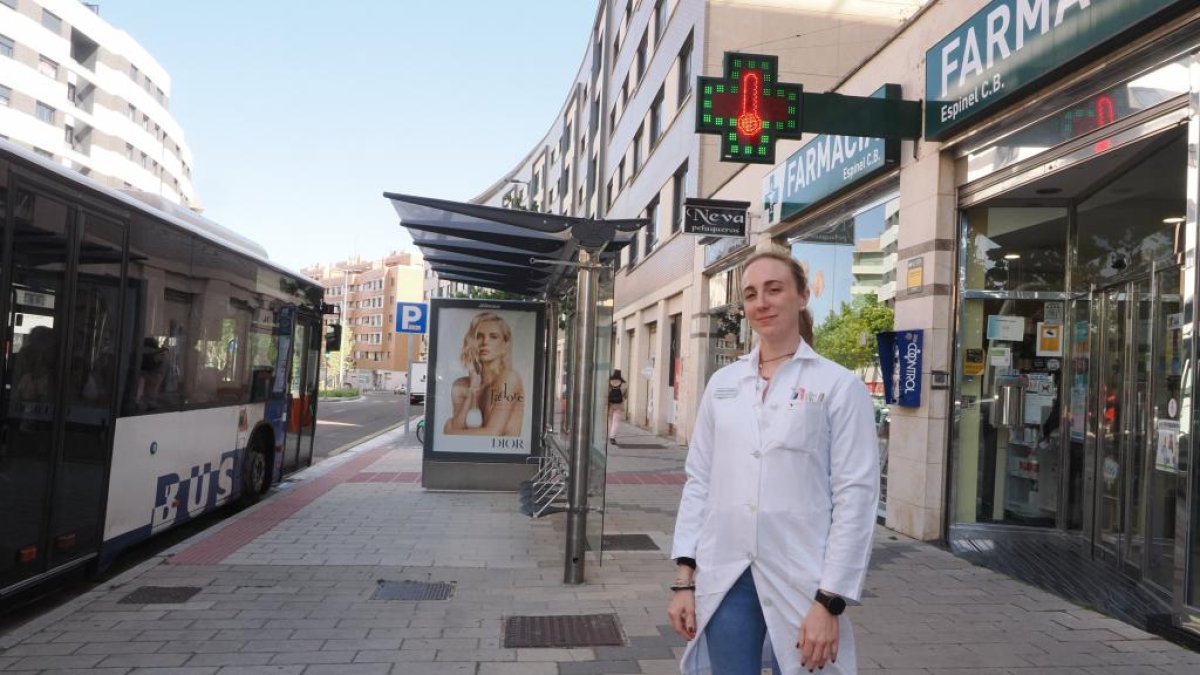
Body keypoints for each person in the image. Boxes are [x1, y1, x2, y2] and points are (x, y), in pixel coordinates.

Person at [668, 250, 879, 675]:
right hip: (726, 577)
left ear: (802, 296)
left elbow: (855, 497)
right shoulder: (723, 384)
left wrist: (830, 600)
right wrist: (684, 580)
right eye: (750, 294)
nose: (761, 302)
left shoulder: (838, 386)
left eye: (774, 289)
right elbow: (699, 481)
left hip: (803, 580)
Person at [443, 311, 525, 436]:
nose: (485, 342)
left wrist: (450, 430)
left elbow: (492, 433)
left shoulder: (509, 379)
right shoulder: (461, 385)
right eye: (479, 336)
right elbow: (457, 426)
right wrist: (472, 391)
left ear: (505, 345)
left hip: (500, 450)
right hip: (468, 448)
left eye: (493, 336)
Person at [607, 370, 628, 444]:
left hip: (610, 405)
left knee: (610, 421)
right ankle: (612, 437)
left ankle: (610, 435)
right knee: (616, 422)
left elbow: (605, 393)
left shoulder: (608, 382)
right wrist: (621, 398)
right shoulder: (624, 384)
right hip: (619, 406)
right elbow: (626, 396)